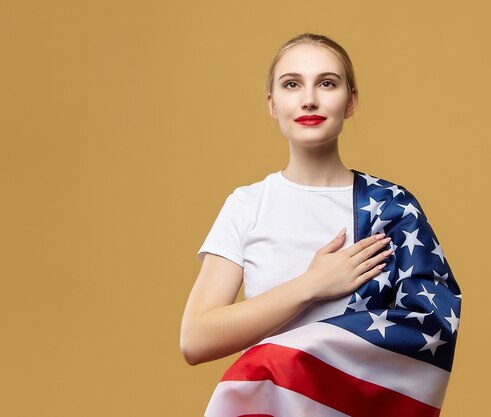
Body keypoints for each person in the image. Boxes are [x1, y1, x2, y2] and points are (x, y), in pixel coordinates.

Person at [181, 33, 461, 416]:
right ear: (272, 104)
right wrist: (311, 286)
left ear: (350, 102)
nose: (309, 98)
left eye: (327, 83)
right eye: (292, 84)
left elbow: (427, 326)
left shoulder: (391, 207)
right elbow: (196, 340)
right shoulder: (247, 205)